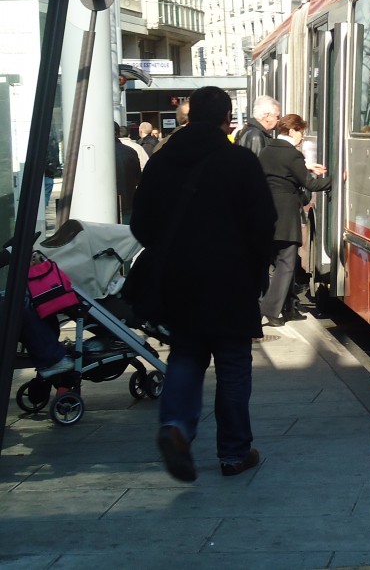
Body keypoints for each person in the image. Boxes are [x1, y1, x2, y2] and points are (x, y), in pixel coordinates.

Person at [130, 86, 276, 482]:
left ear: (189, 117)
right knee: (232, 363)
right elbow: (263, 224)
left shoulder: (161, 162)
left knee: (187, 353)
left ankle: (175, 426)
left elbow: (140, 223)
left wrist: (170, 251)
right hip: (231, 279)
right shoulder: (240, 161)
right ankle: (233, 453)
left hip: (180, 280)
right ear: (226, 119)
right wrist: (256, 268)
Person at [257, 114, 330, 326]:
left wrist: (306, 166)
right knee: (287, 263)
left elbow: (280, 172)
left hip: (267, 213)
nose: (302, 137)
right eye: (301, 132)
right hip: (286, 216)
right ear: (291, 131)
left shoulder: (267, 150)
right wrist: (336, 180)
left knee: (274, 261)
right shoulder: (292, 155)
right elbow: (311, 185)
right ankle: (270, 310)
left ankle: (287, 307)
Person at [114, 121, 142, 224]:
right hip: (128, 201)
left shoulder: (95, 153)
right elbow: (138, 177)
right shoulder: (130, 151)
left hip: (104, 205)